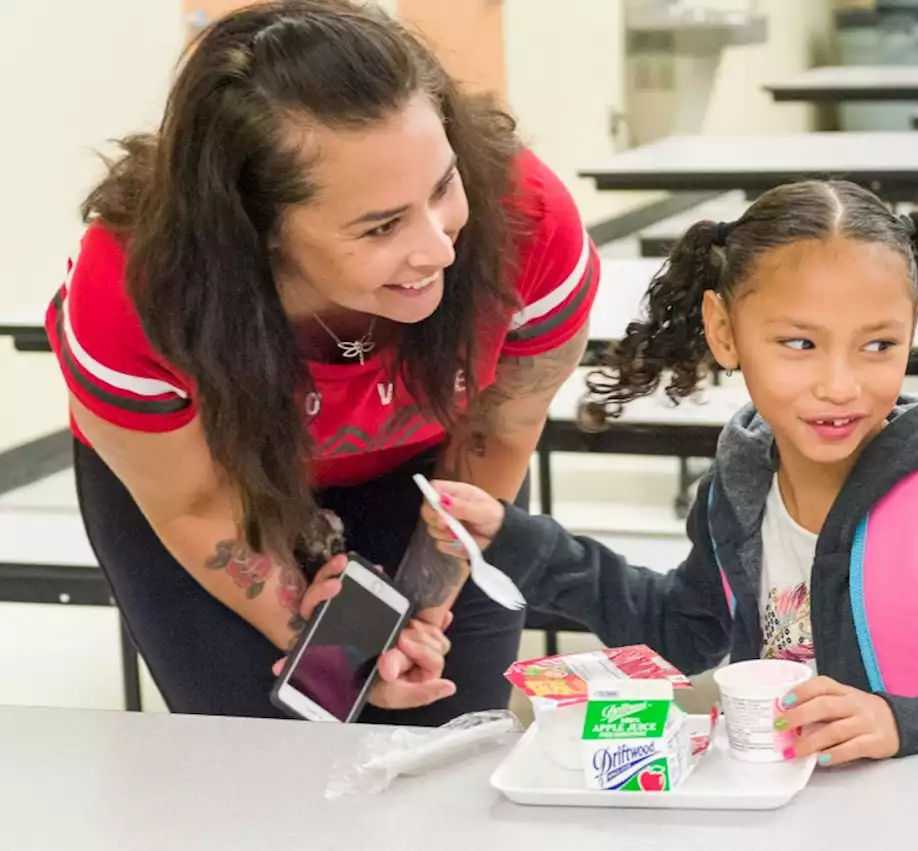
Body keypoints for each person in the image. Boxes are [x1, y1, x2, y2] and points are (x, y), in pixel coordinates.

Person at [419, 180, 918, 766]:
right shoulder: (738, 488)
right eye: (799, 344)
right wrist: (511, 537)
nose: (840, 384)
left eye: (879, 344)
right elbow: (684, 631)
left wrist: (905, 725)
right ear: (724, 332)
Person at [44, 0, 598, 723]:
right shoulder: (133, 291)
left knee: (449, 741)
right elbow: (195, 504)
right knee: (268, 760)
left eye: (442, 187)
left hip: (435, 473)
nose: (437, 248)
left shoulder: (530, 225)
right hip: (219, 490)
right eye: (380, 225)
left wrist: (417, 617)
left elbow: (502, 432)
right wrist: (335, 645)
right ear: (255, 230)